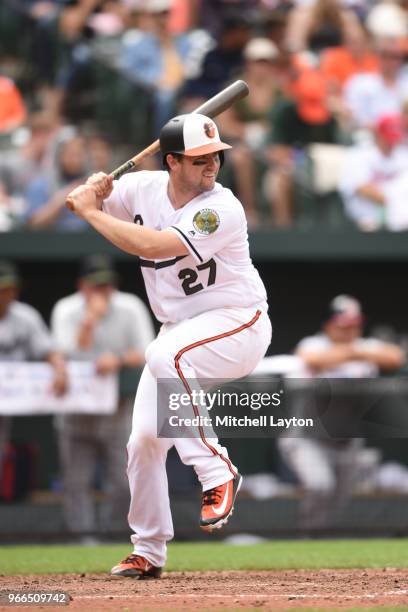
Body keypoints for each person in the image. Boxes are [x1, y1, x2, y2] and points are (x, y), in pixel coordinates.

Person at [66, 112, 271, 578]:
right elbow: (81, 203)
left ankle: (217, 471)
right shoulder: (141, 189)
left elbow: (157, 246)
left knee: (164, 354)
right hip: (179, 330)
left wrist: (93, 212)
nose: (211, 165)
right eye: (199, 159)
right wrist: (92, 193)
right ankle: (149, 549)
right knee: (142, 443)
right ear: (172, 161)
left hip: (238, 324)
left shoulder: (221, 207)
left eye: (215, 157)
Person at [278, 295, 405, 530]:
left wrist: (354, 352)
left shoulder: (363, 348)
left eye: (354, 324)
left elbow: (395, 357)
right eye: (343, 324)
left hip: (346, 440)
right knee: (319, 485)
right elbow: (311, 359)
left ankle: (321, 544)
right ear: (329, 325)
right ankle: (303, 537)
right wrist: (356, 352)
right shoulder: (314, 344)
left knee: (339, 499)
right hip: (308, 438)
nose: (349, 330)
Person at [50, 254, 155, 538]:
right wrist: (90, 321)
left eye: (107, 284)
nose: (102, 290)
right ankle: (82, 538)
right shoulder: (66, 309)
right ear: (82, 285)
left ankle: (115, 536)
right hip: (76, 409)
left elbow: (148, 351)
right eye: (96, 285)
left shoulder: (130, 306)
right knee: (75, 482)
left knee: (122, 480)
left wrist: (118, 359)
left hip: (117, 407)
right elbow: (64, 353)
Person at [0, 260, 67, 486]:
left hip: (10, 397)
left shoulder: (24, 316)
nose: (6, 294)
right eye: (2, 289)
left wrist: (59, 368)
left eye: (10, 288)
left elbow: (49, 350)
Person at [338, 113, 408, 230]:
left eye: (394, 139)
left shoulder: (403, 155)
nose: (391, 143)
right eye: (388, 138)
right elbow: (360, 188)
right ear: (378, 134)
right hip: (365, 215)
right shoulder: (359, 154)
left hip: (399, 215)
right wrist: (391, 197)